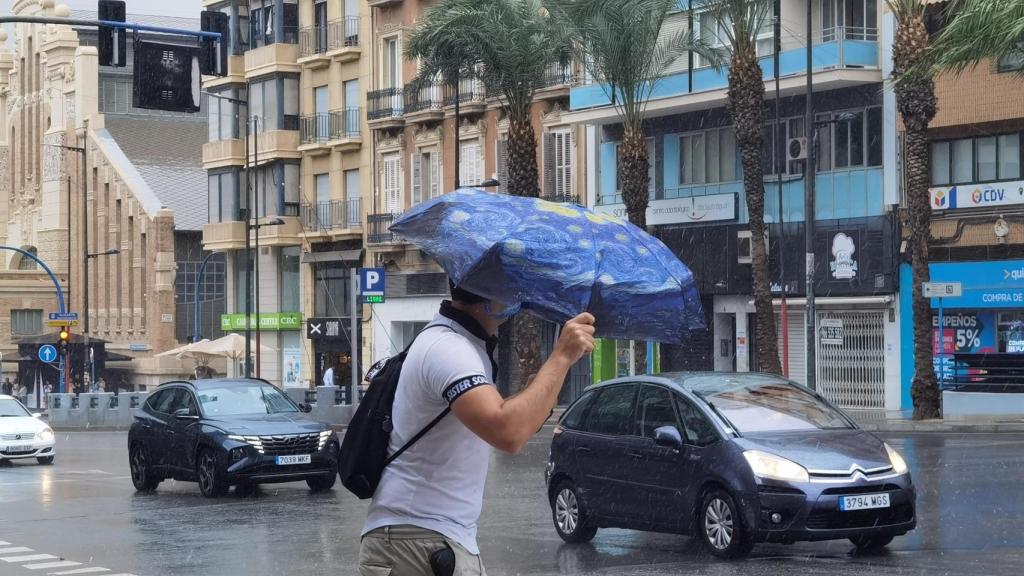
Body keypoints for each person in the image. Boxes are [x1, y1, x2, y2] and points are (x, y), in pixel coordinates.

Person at [359, 280, 595, 576]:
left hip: (426, 539)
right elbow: (508, 431)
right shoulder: (450, 349)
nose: (518, 295)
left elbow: (509, 418)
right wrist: (561, 357)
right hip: (421, 542)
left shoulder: (457, 342)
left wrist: (557, 370)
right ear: (490, 296)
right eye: (511, 286)